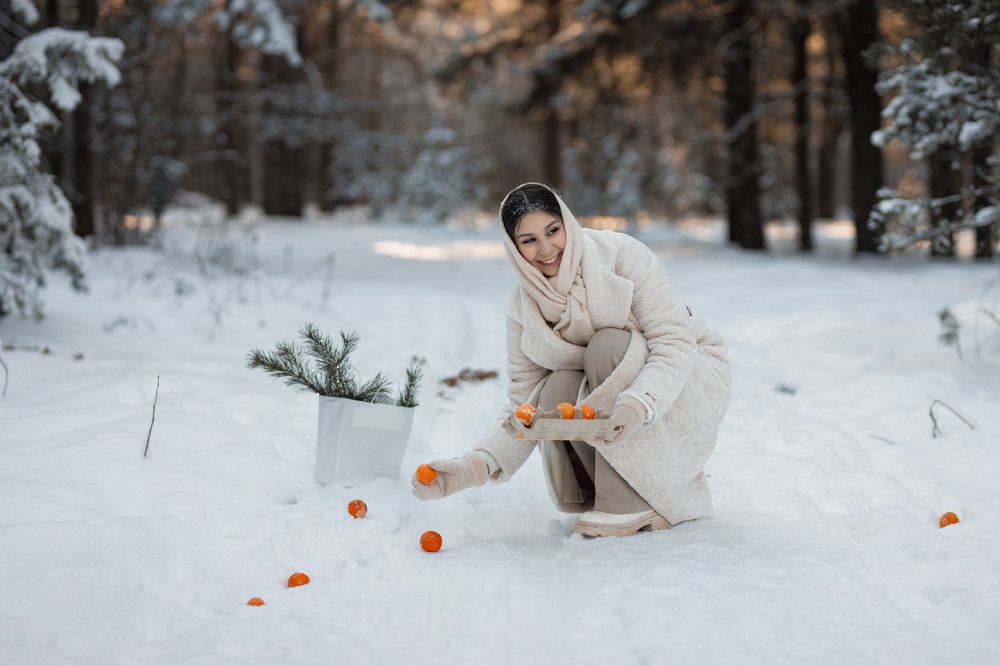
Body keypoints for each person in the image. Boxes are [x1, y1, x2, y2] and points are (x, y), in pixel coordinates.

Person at [411, 182, 732, 537]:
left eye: (552, 231)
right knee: (557, 388)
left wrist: (639, 403)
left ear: (567, 223)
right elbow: (524, 406)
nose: (546, 249)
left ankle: (629, 501)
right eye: (529, 240)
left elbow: (674, 341)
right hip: (627, 389)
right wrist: (476, 466)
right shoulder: (524, 309)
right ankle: (607, 491)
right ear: (514, 248)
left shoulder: (621, 256)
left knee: (606, 346)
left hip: (684, 376)